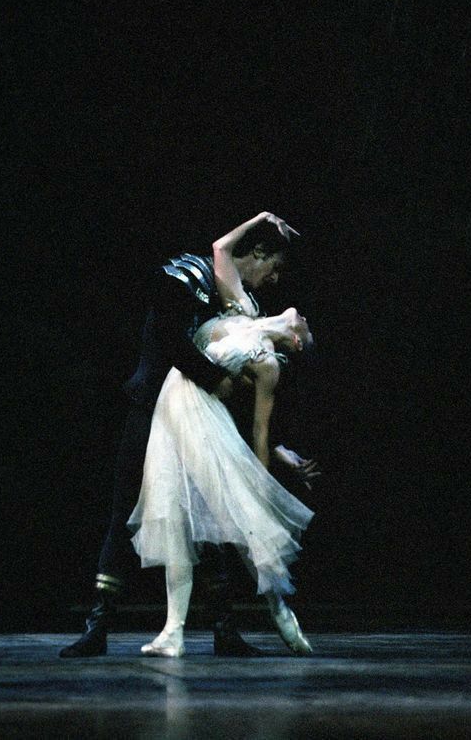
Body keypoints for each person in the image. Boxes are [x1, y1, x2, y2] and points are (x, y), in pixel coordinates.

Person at [59, 212, 316, 658]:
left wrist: (273, 449)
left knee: (211, 520)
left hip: (201, 418)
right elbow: (171, 339)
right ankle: (97, 626)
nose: (271, 281)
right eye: (271, 267)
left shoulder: (236, 308)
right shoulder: (189, 276)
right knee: (128, 511)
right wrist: (214, 377)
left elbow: (249, 394)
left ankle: (224, 628)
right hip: (153, 407)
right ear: (253, 255)